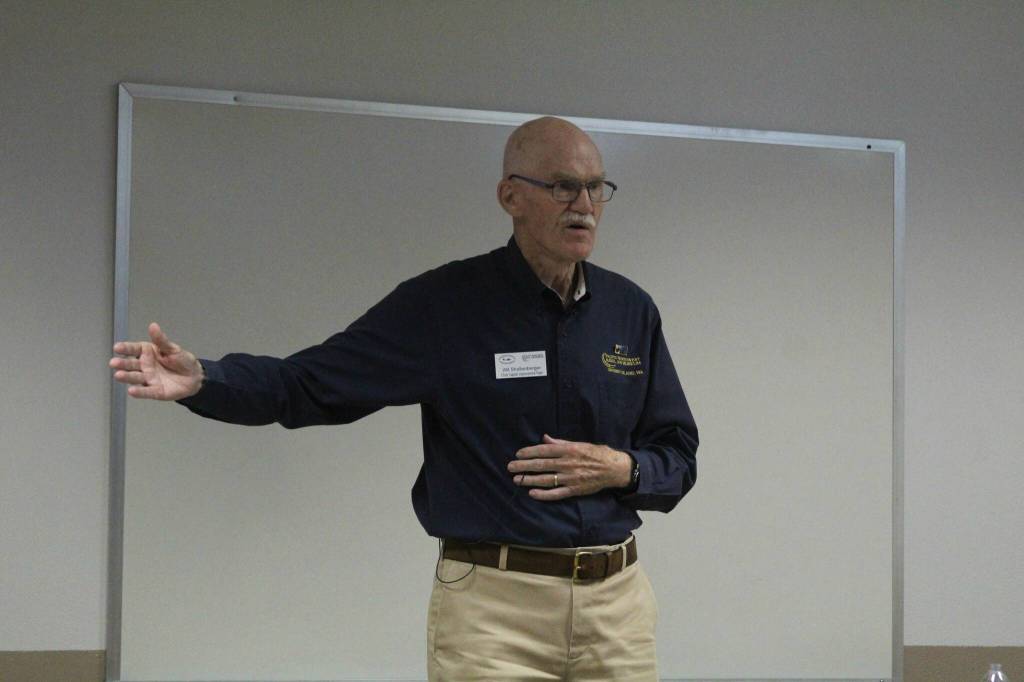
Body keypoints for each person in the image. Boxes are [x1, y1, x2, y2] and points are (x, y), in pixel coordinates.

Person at [110, 116, 698, 681]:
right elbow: (310, 384)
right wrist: (206, 380)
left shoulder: (631, 310)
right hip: (497, 612)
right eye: (565, 186)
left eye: (597, 187)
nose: (585, 205)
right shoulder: (445, 306)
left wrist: (622, 468)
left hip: (617, 607)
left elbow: (677, 453)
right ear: (510, 196)